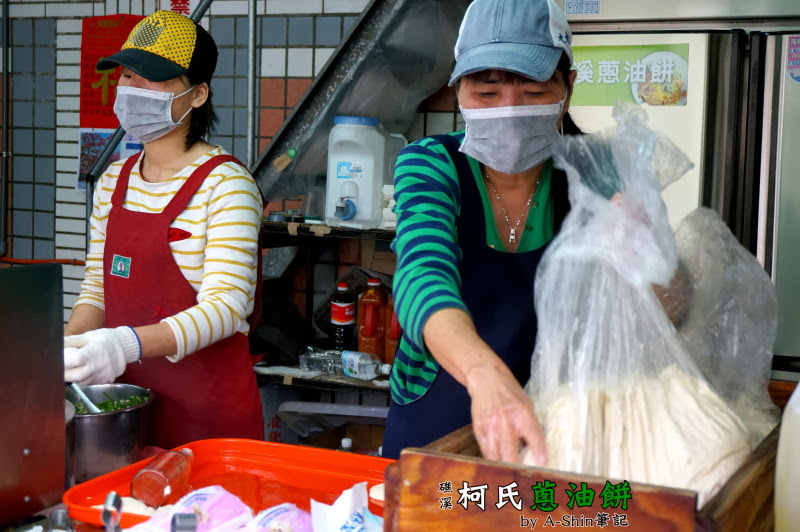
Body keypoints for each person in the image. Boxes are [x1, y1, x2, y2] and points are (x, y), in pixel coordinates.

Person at [382, 0, 687, 462]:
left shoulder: (600, 173)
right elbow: (421, 277)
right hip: (434, 421)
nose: (508, 111)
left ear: (568, 87)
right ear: (459, 91)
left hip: (559, 427)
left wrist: (650, 261)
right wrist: (486, 374)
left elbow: (675, 308)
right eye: (486, 95)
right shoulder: (431, 163)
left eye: (532, 92)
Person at [63, 11, 264, 449]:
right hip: (126, 413)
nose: (133, 89)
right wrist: (62, 355)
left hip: (207, 422)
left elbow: (227, 308)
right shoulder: (114, 181)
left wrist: (122, 345)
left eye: (152, 79)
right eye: (128, 75)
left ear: (197, 95)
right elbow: (97, 289)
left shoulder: (226, 184)